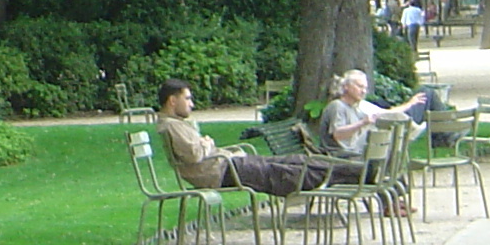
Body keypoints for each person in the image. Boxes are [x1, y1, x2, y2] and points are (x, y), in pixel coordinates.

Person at [149, 81, 361, 196]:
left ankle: (357, 171)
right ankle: (360, 173)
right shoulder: (171, 126)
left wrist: (207, 145)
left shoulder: (175, 124)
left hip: (228, 165)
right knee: (289, 172)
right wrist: (207, 143)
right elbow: (194, 155)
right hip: (221, 172)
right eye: (187, 99)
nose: (192, 104)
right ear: (172, 101)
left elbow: (194, 151)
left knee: (295, 162)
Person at [320, 68, 427, 160]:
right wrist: (362, 123)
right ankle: (406, 137)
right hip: (342, 155)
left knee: (387, 125)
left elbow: (386, 113)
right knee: (381, 133)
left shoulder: (357, 107)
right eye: (360, 87)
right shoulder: (337, 106)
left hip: (355, 151)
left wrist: (410, 104)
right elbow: (338, 135)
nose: (363, 91)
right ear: (346, 86)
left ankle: (405, 137)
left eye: (365, 88)